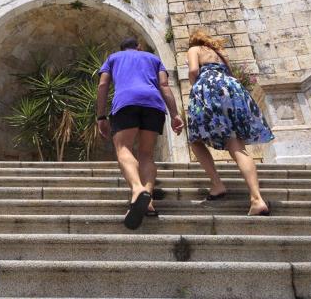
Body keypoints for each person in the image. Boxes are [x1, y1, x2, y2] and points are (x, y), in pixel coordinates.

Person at [184, 29, 275, 216]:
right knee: (236, 144)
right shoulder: (219, 53)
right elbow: (231, 73)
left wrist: (195, 86)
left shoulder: (194, 49)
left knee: (195, 139)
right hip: (232, 89)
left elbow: (193, 70)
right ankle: (257, 198)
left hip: (209, 88)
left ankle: (217, 184)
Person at [96, 37, 184, 229]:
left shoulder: (113, 58)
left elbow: (103, 85)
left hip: (126, 102)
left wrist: (101, 116)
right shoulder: (153, 59)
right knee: (146, 154)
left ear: (122, 49)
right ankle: (148, 200)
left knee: (123, 148)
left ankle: (137, 189)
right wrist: (175, 114)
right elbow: (164, 86)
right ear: (139, 47)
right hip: (153, 104)